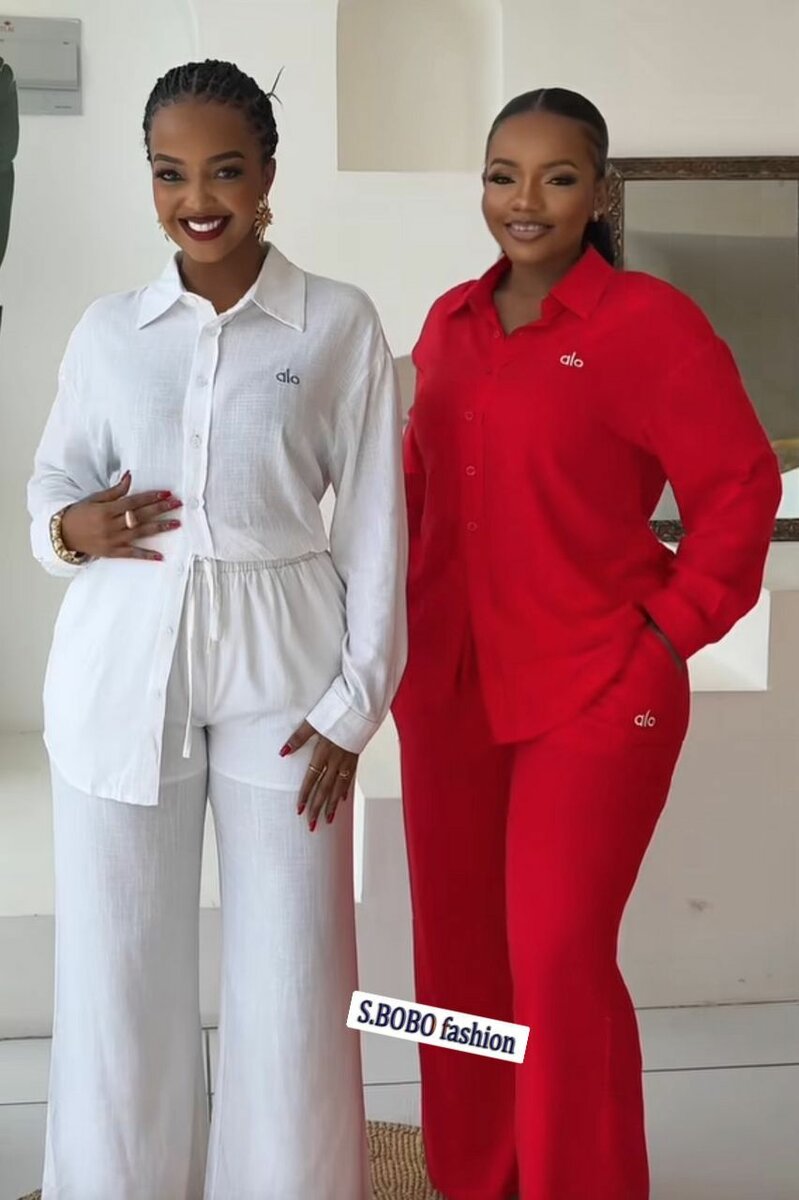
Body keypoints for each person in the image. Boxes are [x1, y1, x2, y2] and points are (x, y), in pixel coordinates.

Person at [392, 87, 781, 1200]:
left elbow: (741, 490)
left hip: (601, 687)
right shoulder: (447, 325)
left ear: (599, 193)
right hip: (450, 690)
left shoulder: (648, 324)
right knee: (457, 962)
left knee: (557, 958)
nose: (524, 200)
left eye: (556, 177)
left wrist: (665, 636)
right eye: (501, 174)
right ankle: (478, 1177)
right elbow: (412, 494)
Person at [28, 58, 406, 1200]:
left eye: (225, 170)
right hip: (117, 671)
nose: (197, 198)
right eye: (170, 173)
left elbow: (376, 521)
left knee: (293, 970)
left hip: (287, 677)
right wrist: (69, 529)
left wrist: (356, 703)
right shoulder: (110, 329)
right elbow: (54, 481)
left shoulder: (337, 322)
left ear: (269, 176)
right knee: (117, 968)